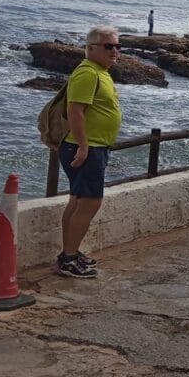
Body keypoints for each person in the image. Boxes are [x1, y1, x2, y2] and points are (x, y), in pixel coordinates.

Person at [56, 25, 124, 278]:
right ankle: (69, 259)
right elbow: (75, 111)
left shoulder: (101, 71)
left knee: (78, 200)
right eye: (109, 46)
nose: (115, 51)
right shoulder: (87, 73)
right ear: (91, 48)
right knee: (90, 202)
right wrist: (84, 145)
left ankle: (69, 253)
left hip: (94, 146)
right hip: (86, 147)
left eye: (118, 46)